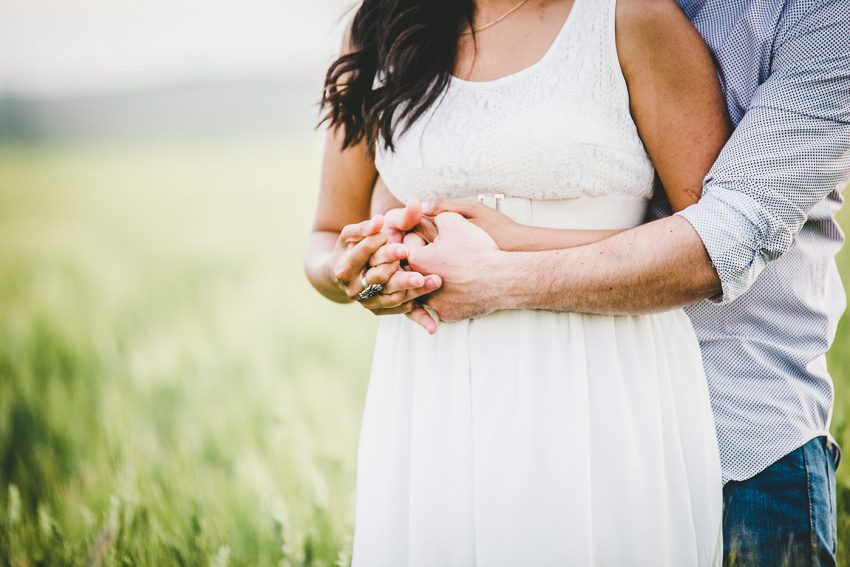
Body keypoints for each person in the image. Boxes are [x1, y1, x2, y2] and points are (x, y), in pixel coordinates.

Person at [366, 0, 850, 564]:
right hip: (547, 424)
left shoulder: (823, 19)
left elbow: (724, 234)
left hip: (745, 431)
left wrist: (500, 259)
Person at [306, 0, 735, 563]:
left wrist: (507, 248)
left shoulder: (631, 17)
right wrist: (353, 274)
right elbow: (327, 234)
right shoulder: (381, 28)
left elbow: (709, 243)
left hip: (600, 386)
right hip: (430, 397)